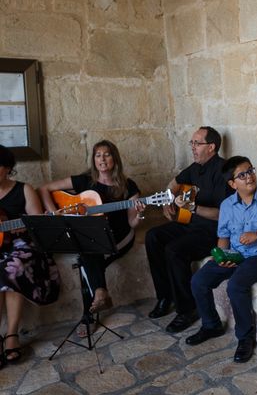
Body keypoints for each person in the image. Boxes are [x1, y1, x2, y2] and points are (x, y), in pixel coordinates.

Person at [188, 156, 257, 363]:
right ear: (232, 183)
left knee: (235, 286)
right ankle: (211, 325)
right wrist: (222, 256)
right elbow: (223, 237)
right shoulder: (227, 205)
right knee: (199, 280)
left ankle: (245, 338)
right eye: (242, 175)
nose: (249, 177)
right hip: (236, 254)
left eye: (250, 171)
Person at [39, 140, 144, 317]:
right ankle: (100, 293)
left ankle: (89, 315)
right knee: (89, 252)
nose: (102, 159)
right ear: (93, 160)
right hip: (93, 238)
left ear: (115, 158)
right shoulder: (84, 181)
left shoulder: (128, 186)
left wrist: (140, 215)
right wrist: (55, 213)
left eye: (107, 154)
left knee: (87, 257)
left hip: (120, 237)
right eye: (98, 155)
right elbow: (44, 188)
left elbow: (132, 223)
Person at [145, 126, 229, 333]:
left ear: (211, 147)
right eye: (191, 143)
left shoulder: (223, 170)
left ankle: (187, 309)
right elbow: (172, 184)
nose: (192, 147)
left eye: (196, 143)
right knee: (153, 236)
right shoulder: (195, 167)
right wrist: (167, 200)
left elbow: (222, 215)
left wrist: (192, 207)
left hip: (213, 232)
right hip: (191, 225)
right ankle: (165, 296)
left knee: (174, 250)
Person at [0, 145, 59, 365]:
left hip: (23, 245)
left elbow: (39, 225)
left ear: (7, 169)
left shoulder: (24, 189)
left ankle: (11, 335)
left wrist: (22, 228)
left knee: (11, 269)